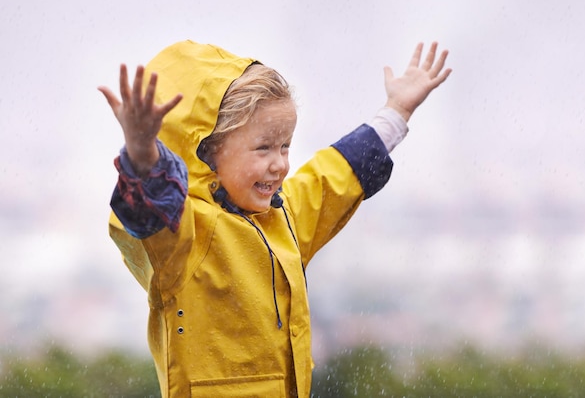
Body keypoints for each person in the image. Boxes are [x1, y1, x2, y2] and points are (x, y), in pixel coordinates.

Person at [98, 40, 451, 398]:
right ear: (207, 151)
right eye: (263, 147)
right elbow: (147, 212)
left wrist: (396, 110)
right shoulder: (183, 237)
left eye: (285, 146)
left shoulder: (284, 217)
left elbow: (333, 175)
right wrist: (143, 156)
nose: (280, 163)